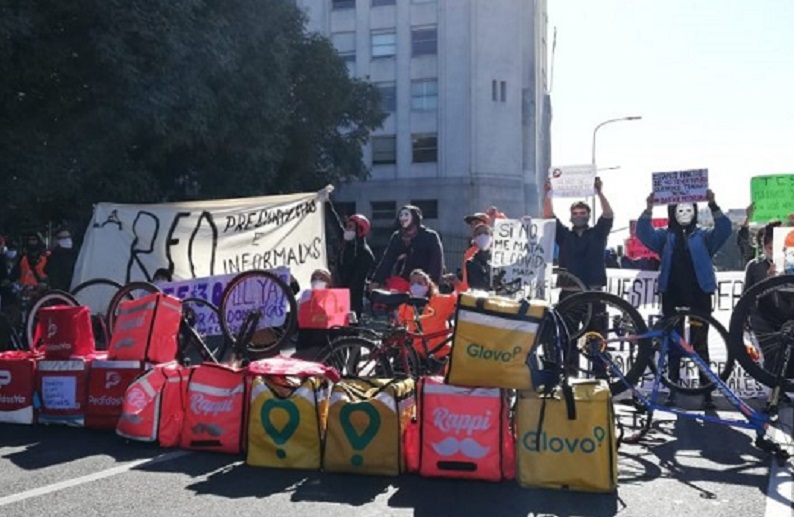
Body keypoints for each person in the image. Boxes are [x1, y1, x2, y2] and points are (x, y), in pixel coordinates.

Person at [636, 189, 732, 409]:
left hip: (699, 295)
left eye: (689, 210)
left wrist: (713, 204)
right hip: (672, 295)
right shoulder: (664, 236)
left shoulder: (704, 236)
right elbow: (643, 233)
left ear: (696, 212)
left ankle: (706, 391)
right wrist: (648, 208)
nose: (685, 213)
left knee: (700, 344)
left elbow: (725, 229)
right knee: (673, 343)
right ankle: (673, 389)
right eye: (680, 210)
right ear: (672, 212)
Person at [543, 177, 613, 291]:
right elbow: (548, 216)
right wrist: (548, 194)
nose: (579, 216)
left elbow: (608, 215)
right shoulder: (564, 235)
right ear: (570, 216)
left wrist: (599, 193)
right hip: (569, 294)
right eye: (575, 213)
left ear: (589, 215)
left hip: (593, 293)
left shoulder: (598, 233)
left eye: (582, 213)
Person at [371, 205, 444, 290]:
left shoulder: (430, 236)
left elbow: (436, 262)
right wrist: (376, 280)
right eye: (401, 215)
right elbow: (387, 260)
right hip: (403, 281)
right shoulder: (396, 237)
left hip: (423, 282)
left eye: (406, 215)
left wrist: (433, 283)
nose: (403, 218)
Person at [397, 269, 458, 360]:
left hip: (438, 353)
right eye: (412, 283)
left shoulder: (440, 301)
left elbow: (460, 299)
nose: (415, 286)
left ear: (428, 285)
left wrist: (457, 284)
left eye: (419, 283)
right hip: (414, 355)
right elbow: (400, 327)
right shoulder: (405, 306)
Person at [335, 214, 375, 319]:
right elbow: (335, 225)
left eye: (350, 227)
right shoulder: (346, 246)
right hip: (338, 297)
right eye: (346, 226)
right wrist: (325, 202)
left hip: (353, 301)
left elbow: (356, 281)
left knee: (351, 331)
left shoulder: (364, 253)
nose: (346, 230)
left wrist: (344, 299)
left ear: (359, 230)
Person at [459, 212, 490, 291]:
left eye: (476, 223)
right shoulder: (469, 251)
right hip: (471, 295)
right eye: (472, 224)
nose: (474, 227)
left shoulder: (495, 252)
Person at [465, 223, 493, 291]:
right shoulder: (471, 263)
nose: (483, 236)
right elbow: (478, 285)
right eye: (479, 234)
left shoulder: (500, 260)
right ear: (474, 239)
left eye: (486, 233)